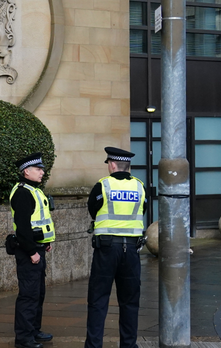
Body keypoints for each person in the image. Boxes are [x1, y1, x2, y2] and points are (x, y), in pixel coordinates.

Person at [84, 146, 146, 348]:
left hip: (106, 250)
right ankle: (129, 345)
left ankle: (94, 345)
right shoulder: (139, 186)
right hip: (132, 251)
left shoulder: (102, 186)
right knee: (129, 301)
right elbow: (143, 209)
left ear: (111, 165)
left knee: (98, 300)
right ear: (127, 166)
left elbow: (93, 210)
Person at [8, 152, 55, 348]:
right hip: (29, 253)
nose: (42, 172)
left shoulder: (34, 190)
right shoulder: (22, 193)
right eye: (38, 169)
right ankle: (24, 338)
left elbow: (39, 223)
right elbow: (23, 227)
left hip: (38, 249)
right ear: (26, 171)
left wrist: (45, 243)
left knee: (37, 294)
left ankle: (34, 331)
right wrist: (31, 252)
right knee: (28, 295)